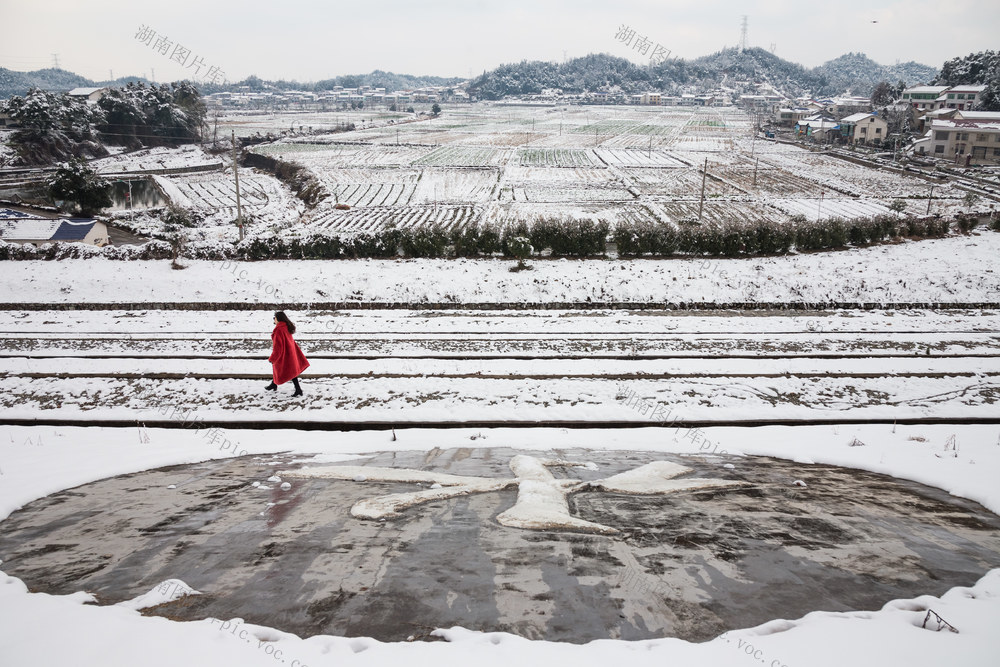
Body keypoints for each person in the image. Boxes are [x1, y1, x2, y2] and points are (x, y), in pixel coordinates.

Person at [266, 311, 309, 397]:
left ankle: (298, 390)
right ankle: (274, 384)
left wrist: (272, 358)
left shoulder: (278, 330)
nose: (273, 320)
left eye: (274, 318)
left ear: (277, 318)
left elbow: (278, 347)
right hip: (289, 353)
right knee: (289, 371)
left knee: (288, 371)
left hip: (284, 354)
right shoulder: (286, 326)